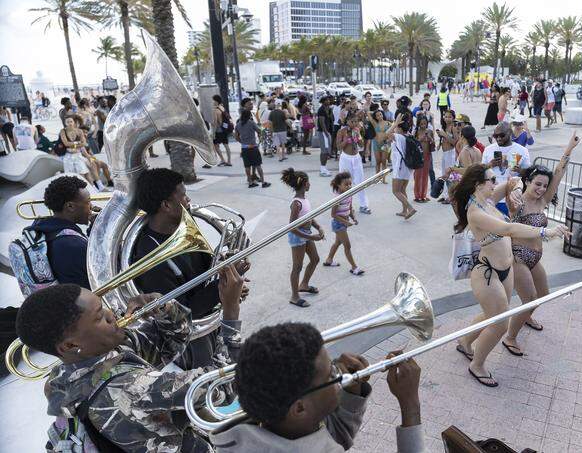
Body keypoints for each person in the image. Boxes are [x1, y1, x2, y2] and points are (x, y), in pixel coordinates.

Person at [17, 279, 241, 453]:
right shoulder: (129, 389)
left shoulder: (66, 375)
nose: (111, 314)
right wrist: (230, 315)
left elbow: (168, 341)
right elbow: (227, 384)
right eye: (98, 318)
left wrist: (164, 309)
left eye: (103, 306)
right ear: (71, 344)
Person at [213, 322, 425, 452]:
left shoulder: (251, 430)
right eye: (330, 375)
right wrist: (410, 406)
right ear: (299, 408)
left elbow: (331, 439)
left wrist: (352, 392)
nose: (339, 373)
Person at [452, 164, 569, 387]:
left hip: (505, 270)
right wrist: (547, 231)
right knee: (500, 324)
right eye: (491, 180)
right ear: (478, 185)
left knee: (491, 315)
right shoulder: (475, 212)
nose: (495, 183)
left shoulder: (486, 200)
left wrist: (515, 189)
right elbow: (509, 229)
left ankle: (465, 341)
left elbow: (514, 179)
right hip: (488, 273)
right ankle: (477, 365)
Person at [132, 168, 245, 367]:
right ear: (166, 205)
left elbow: (203, 271)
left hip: (212, 320)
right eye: (183, 196)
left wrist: (228, 272)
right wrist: (224, 291)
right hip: (192, 340)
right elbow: (183, 313)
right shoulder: (150, 260)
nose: (188, 200)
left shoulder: (182, 228)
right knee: (214, 374)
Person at [502, 133, 580, 356]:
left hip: (536, 257)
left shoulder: (542, 200)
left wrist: (569, 149)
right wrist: (515, 187)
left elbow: (558, 174)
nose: (541, 188)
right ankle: (510, 337)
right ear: (528, 181)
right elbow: (511, 183)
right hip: (518, 257)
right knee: (530, 299)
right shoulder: (517, 202)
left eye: (544, 185)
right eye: (537, 184)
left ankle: (525, 317)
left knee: (543, 294)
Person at [282, 168, 324, 308]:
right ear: (304, 184)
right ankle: (294, 296)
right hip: (298, 237)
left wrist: (318, 227)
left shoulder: (304, 199)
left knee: (315, 259)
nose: (310, 184)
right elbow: (292, 227)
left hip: (306, 234)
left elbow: (309, 217)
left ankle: (304, 284)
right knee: (297, 266)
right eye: (309, 182)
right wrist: (311, 236)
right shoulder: (296, 203)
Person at [482, 122, 531, 216]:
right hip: (491, 197)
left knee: (509, 227)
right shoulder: (488, 149)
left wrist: (520, 170)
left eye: (502, 135)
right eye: (495, 136)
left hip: (512, 198)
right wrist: (490, 164)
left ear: (510, 133)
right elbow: (480, 171)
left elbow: (529, 174)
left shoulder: (522, 150)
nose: (498, 138)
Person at [322, 172, 364, 275]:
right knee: (347, 246)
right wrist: (346, 222)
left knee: (337, 243)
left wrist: (353, 217)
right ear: (338, 185)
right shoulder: (338, 198)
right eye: (346, 184)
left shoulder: (349, 194)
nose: (349, 186)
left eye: (350, 184)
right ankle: (354, 267)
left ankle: (329, 260)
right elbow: (333, 214)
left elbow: (349, 207)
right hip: (338, 224)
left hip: (344, 223)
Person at [337, 113, 372, 214]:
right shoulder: (342, 131)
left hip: (356, 158)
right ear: (347, 121)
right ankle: (344, 205)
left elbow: (361, 145)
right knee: (344, 182)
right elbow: (338, 147)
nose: (355, 123)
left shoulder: (357, 130)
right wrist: (347, 140)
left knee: (360, 182)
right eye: (352, 121)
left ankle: (363, 205)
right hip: (346, 159)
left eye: (356, 121)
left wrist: (358, 137)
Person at [235, 98, 271, 188]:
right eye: (249, 104)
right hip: (253, 146)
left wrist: (242, 142)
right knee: (257, 164)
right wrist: (262, 131)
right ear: (244, 106)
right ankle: (262, 182)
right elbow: (259, 130)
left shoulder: (238, 124)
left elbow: (236, 136)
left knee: (247, 165)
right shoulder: (250, 121)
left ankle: (251, 180)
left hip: (244, 147)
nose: (251, 105)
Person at [59, 116, 101, 190]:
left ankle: (96, 186)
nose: (70, 124)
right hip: (74, 156)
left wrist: (73, 144)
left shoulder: (79, 132)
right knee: (78, 173)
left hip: (82, 155)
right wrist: (77, 143)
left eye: (71, 121)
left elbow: (84, 145)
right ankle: (92, 187)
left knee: (90, 168)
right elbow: (66, 144)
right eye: (68, 122)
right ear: (65, 123)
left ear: (74, 122)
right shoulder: (64, 131)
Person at [387, 113, 417, 218]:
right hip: (407, 167)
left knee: (396, 191)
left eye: (396, 128)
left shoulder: (399, 137)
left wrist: (395, 123)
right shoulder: (409, 136)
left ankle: (410, 208)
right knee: (402, 189)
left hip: (399, 166)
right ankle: (404, 211)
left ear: (399, 128)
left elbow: (386, 134)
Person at [436, 110, 458, 204]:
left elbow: (455, 142)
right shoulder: (445, 127)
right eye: (445, 116)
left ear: (453, 118)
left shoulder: (453, 127)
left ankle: (451, 196)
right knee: (444, 174)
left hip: (451, 153)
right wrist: (440, 142)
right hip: (445, 153)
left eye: (449, 117)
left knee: (450, 176)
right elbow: (444, 139)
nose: (447, 118)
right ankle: (445, 195)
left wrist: (444, 134)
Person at [413, 115, 434, 202]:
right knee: (418, 176)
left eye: (425, 123)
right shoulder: (416, 131)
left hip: (427, 155)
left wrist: (430, 138)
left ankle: (423, 195)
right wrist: (421, 139)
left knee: (425, 175)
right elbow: (414, 143)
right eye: (421, 124)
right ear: (418, 124)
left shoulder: (429, 131)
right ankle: (417, 196)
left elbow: (433, 143)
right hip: (418, 156)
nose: (423, 125)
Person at [367, 109, 392, 184]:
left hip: (386, 144)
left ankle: (384, 179)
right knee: (378, 161)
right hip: (376, 143)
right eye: (377, 115)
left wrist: (389, 140)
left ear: (383, 114)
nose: (379, 116)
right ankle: (377, 178)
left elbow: (393, 131)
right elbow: (368, 113)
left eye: (380, 114)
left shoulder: (388, 123)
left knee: (384, 161)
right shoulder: (375, 123)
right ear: (376, 117)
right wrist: (374, 112)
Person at [212, 94, 232, 166]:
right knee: (226, 144)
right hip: (225, 129)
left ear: (216, 101)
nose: (212, 102)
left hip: (219, 130)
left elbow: (215, 123)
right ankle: (229, 161)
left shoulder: (215, 110)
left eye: (213, 100)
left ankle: (222, 159)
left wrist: (213, 133)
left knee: (215, 145)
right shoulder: (222, 108)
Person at [316, 96, 334, 176]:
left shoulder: (329, 109)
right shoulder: (321, 110)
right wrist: (325, 132)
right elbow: (321, 122)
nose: (328, 101)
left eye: (328, 99)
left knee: (327, 151)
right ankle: (322, 169)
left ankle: (324, 167)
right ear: (323, 101)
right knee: (324, 151)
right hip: (323, 132)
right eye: (326, 100)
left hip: (328, 132)